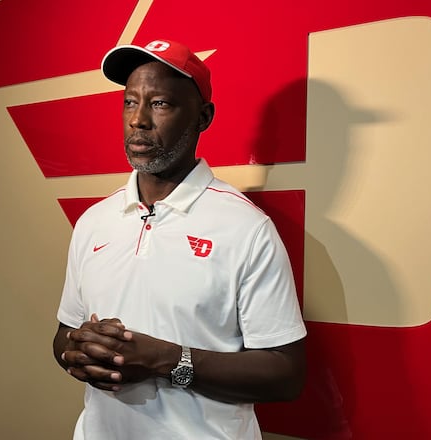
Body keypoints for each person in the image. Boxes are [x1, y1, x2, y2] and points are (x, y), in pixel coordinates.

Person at [52, 39, 307, 439]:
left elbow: (285, 374)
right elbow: (64, 334)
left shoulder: (245, 228)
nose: (138, 120)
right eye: (130, 102)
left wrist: (167, 360)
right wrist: (80, 349)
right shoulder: (94, 222)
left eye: (160, 104)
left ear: (202, 117)